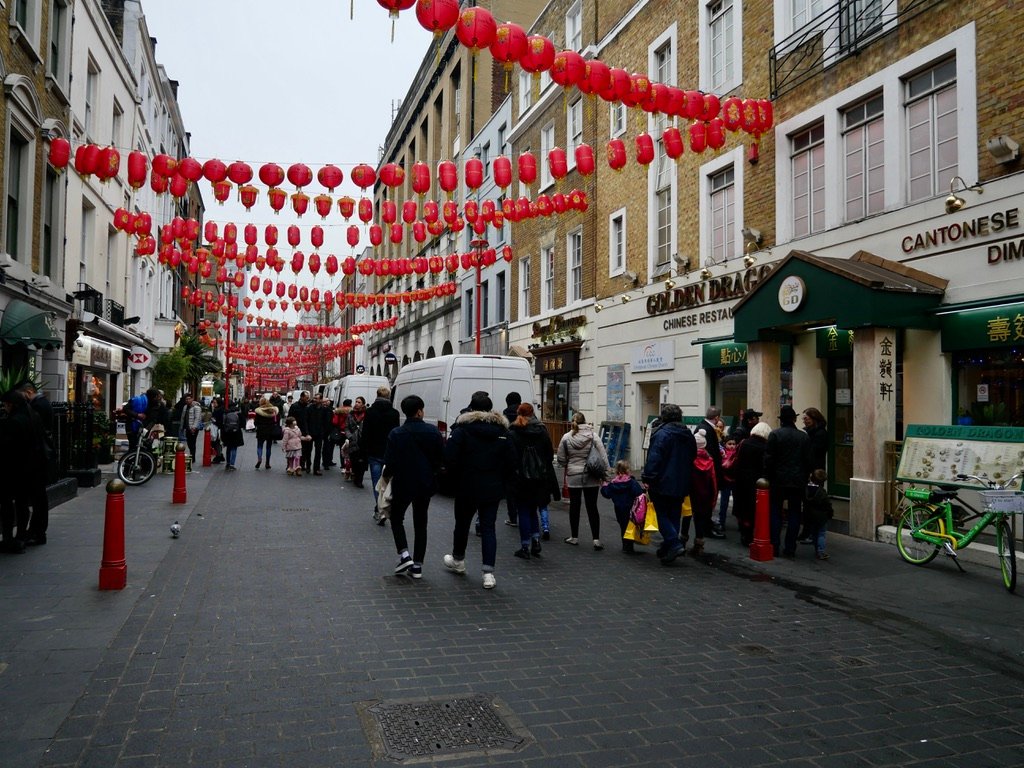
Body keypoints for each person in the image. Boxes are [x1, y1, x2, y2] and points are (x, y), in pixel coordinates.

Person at [441, 392, 516, 590]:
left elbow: (449, 457)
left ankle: (458, 560)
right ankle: (488, 573)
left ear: (471, 409)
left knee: (463, 524)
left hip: (467, 485)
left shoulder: (462, 429)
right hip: (492, 487)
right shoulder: (502, 431)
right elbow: (512, 460)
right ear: (491, 410)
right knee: (489, 527)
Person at [382, 395, 444, 579]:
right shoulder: (433, 433)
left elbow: (390, 461)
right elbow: (440, 460)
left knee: (396, 517)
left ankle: (404, 554)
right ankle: (417, 565)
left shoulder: (396, 433)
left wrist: (386, 478)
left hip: (403, 482)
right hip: (425, 483)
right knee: (420, 522)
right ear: (419, 411)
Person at [641, 403, 696, 565]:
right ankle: (668, 547)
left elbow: (654, 458)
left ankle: (673, 542)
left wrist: (648, 477)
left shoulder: (662, 434)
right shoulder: (688, 434)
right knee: (673, 513)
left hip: (663, 481)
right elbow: (692, 456)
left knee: (662, 514)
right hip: (682, 480)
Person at [507, 402, 557, 560]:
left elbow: (510, 456)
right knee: (533, 510)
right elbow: (549, 454)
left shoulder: (514, 432)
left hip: (521, 478)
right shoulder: (542, 430)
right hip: (540, 478)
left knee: (523, 511)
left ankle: (524, 546)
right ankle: (536, 541)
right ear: (532, 413)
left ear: (518, 413)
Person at [0, 389, 47, 550]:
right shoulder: (33, 416)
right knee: (22, 503)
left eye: (5, 405)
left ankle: (8, 538)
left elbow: (7, 447)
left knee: (7, 504)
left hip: (14, 469)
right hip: (32, 467)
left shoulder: (14, 421)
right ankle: (21, 536)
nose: (4, 408)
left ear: (11, 404)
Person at [556, 412, 609, 550]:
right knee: (592, 507)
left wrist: (570, 462)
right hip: (591, 475)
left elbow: (561, 458)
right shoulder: (593, 436)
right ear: (585, 422)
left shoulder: (566, 437)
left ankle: (574, 537)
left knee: (575, 506)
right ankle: (596, 540)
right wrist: (606, 474)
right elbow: (603, 456)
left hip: (573, 475)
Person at [764, 405, 811, 558]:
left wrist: (769, 477)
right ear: (794, 419)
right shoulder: (803, 436)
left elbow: (769, 460)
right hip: (797, 480)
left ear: (781, 420)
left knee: (776, 512)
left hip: (778, 480)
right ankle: (790, 548)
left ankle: (775, 545)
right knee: (795, 513)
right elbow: (808, 460)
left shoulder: (775, 435)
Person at [360, 386, 400, 509]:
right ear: (388, 397)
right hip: (389, 452)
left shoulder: (370, 412)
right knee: (389, 483)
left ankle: (379, 508)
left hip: (374, 452)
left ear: (377, 395)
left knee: (377, 482)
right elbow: (396, 434)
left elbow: (365, 433)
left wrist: (363, 453)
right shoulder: (394, 413)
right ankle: (387, 505)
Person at [732, 421, 771, 545]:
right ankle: (750, 534)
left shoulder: (744, 443)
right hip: (756, 481)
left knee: (743, 507)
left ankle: (744, 532)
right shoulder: (764, 447)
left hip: (741, 480)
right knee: (753, 508)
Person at [684, 430, 718, 558]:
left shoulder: (689, 459)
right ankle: (699, 544)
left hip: (689, 493)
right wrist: (713, 498)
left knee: (686, 517)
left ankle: (682, 540)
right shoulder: (710, 460)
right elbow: (713, 480)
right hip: (704, 495)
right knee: (699, 519)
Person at [601, 459, 645, 554]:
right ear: (627, 470)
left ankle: (625, 545)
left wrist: (604, 485)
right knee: (630, 526)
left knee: (623, 526)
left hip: (619, 509)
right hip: (631, 508)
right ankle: (629, 546)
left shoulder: (613, 484)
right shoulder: (632, 482)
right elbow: (639, 493)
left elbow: (606, 494)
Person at [798, 407, 829, 543]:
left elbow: (815, 452)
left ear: (814, 418)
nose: (804, 421)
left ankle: (811, 532)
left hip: (815, 472)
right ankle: (807, 531)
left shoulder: (820, 433)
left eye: (806, 418)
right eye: (803, 419)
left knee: (813, 503)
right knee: (807, 503)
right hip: (808, 470)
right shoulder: (806, 432)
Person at [695, 406, 724, 537]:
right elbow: (711, 452)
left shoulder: (702, 427)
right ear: (717, 418)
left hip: (704, 472)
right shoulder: (707, 430)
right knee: (706, 501)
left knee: (704, 502)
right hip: (707, 472)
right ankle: (705, 528)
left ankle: (706, 525)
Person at [502, 392, 524, 527]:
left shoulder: (505, 414)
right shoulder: (524, 415)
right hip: (525, 456)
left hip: (510, 456)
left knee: (510, 490)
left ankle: (513, 517)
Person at [805, 469, 833, 560]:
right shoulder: (822, 492)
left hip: (811, 515)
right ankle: (820, 551)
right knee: (821, 533)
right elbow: (827, 504)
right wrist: (830, 513)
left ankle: (815, 547)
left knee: (814, 532)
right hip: (821, 516)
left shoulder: (807, 489)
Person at [124, 387, 161, 454]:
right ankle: (130, 462)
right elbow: (126, 409)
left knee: (142, 448)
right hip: (132, 427)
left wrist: (146, 429)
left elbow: (153, 419)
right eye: (157, 397)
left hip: (143, 429)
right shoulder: (138, 400)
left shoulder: (155, 404)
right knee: (133, 447)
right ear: (154, 397)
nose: (159, 399)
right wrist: (137, 415)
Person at [717, 436, 738, 538]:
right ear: (725, 444)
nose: (732, 446)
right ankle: (721, 521)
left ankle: (724, 522)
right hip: (726, 481)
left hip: (733, 481)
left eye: (734, 444)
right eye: (730, 444)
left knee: (736, 502)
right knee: (724, 503)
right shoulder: (723, 454)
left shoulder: (736, 454)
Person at [306, 393, 331, 475]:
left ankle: (316, 468)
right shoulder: (309, 408)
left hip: (319, 434)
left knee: (318, 452)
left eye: (317, 398)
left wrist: (324, 432)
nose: (315, 400)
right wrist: (307, 433)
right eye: (315, 398)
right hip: (310, 432)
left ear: (321, 400)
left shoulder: (324, 410)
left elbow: (326, 422)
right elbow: (306, 421)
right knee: (308, 451)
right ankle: (308, 466)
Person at [346, 396, 368, 488]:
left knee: (362, 462)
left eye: (359, 402)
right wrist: (350, 436)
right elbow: (346, 427)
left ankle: (360, 480)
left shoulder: (367, 414)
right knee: (354, 460)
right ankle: (355, 474)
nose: (357, 403)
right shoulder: (350, 414)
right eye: (356, 401)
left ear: (363, 404)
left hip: (363, 441)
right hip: (353, 440)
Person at [253, 397, 280, 470]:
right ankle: (267, 463)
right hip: (270, 430)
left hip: (261, 430)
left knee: (260, 446)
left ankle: (259, 458)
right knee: (268, 447)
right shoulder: (273, 410)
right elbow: (276, 420)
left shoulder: (259, 411)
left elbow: (255, 422)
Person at [289, 392, 312, 473]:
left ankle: (303, 464)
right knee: (295, 448)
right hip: (296, 430)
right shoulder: (294, 406)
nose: (308, 399)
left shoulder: (309, 407)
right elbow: (290, 418)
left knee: (306, 449)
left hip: (306, 430)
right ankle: (291, 465)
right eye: (306, 397)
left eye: (308, 397)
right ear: (301, 397)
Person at [220, 402, 245, 471]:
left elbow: (222, 424)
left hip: (227, 433)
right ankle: (232, 464)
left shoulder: (225, 413)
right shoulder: (239, 413)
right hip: (236, 433)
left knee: (228, 448)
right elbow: (243, 424)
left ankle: (227, 463)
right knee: (234, 448)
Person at [180, 393, 203, 462]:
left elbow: (197, 418)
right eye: (186, 399)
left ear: (192, 399)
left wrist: (194, 427)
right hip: (187, 427)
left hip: (193, 428)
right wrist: (181, 427)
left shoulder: (196, 407)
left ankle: (193, 457)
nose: (187, 400)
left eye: (189, 399)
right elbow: (183, 417)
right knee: (189, 442)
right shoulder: (185, 407)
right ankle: (191, 455)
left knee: (192, 442)